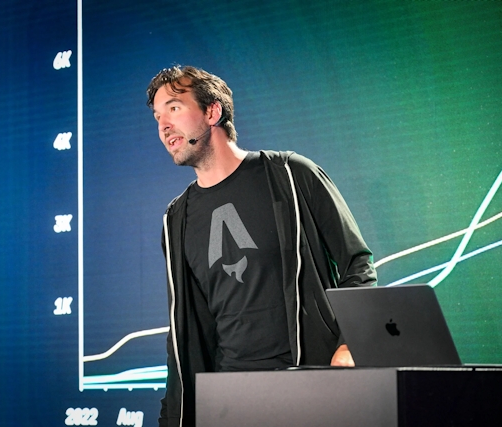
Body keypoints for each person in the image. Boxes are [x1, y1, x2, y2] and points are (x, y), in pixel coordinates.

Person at [146, 65, 377, 427]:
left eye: (174, 108)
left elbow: (357, 265)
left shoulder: (290, 174)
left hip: (313, 390)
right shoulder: (176, 219)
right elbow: (187, 334)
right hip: (229, 402)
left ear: (212, 112)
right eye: (158, 116)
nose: (163, 126)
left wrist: (349, 345)